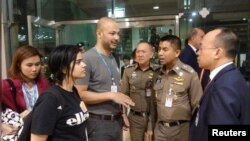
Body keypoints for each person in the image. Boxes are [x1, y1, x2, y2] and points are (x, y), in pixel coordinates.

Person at [75, 17, 135, 141]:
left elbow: (116, 88)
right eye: (112, 33)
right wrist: (111, 95)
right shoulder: (87, 58)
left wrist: (123, 114)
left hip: (116, 121)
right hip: (97, 123)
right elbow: (79, 94)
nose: (117, 38)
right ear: (99, 34)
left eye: (118, 34)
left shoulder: (114, 58)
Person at [189, 28, 250, 141]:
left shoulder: (224, 86)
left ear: (217, 52)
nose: (198, 52)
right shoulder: (231, 77)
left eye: (201, 48)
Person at [30, 45, 89, 141]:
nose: (84, 65)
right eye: (78, 62)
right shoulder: (50, 98)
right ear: (64, 69)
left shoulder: (73, 90)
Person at [153, 35, 203, 141]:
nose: (160, 53)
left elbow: (197, 106)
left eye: (165, 49)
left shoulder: (189, 74)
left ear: (177, 53)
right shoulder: (157, 73)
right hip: (160, 130)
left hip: (181, 131)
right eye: (159, 49)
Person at [1, 45, 49, 138]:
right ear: (19, 65)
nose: (34, 69)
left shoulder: (45, 83)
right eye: (29, 65)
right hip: (19, 134)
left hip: (42, 132)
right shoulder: (6, 85)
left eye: (37, 64)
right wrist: (2, 126)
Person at [120, 41, 159, 141]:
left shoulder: (159, 71)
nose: (140, 54)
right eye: (138, 52)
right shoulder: (128, 71)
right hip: (135, 118)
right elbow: (123, 95)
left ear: (151, 54)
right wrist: (123, 115)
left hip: (155, 117)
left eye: (143, 52)